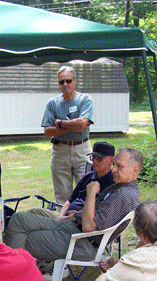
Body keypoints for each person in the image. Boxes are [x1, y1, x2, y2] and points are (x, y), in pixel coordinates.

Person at [4, 148, 142, 265]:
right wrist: (73, 215)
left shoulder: (124, 195)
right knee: (19, 218)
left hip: (81, 243)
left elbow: (89, 227)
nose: (113, 170)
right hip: (72, 228)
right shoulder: (120, 188)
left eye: (120, 167)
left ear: (135, 170)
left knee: (24, 238)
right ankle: (19, 271)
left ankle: (13, 275)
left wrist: (91, 193)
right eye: (114, 165)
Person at [41, 65, 94, 204]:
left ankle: (83, 222)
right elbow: (47, 131)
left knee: (86, 188)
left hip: (82, 149)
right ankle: (65, 222)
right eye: (61, 82)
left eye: (68, 80)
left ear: (75, 81)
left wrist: (59, 123)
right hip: (60, 150)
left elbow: (84, 124)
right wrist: (74, 126)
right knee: (62, 192)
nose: (66, 84)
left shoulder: (84, 99)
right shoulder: (52, 103)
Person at [28, 141, 115, 219]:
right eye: (93, 157)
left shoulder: (112, 184)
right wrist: (61, 217)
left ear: (111, 160)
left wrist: (77, 215)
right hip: (65, 218)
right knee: (32, 212)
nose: (94, 162)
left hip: (81, 221)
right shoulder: (88, 177)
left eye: (99, 159)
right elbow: (69, 200)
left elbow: (100, 212)